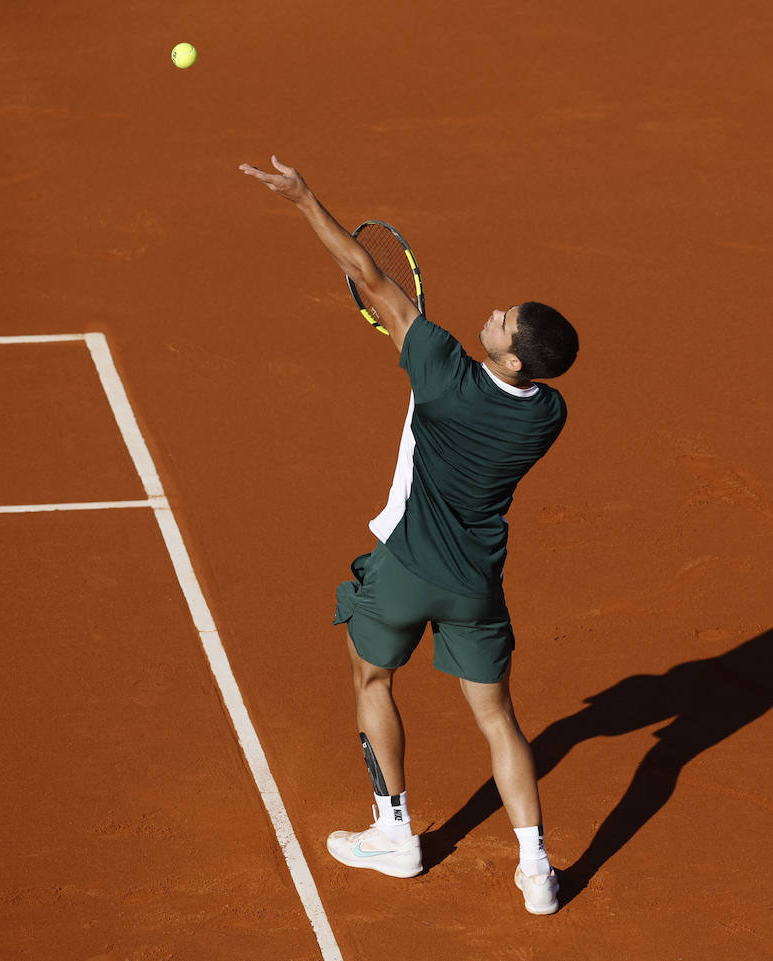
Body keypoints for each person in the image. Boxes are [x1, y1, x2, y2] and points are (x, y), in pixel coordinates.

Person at [239, 156, 579, 915]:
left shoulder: (441, 369)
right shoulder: (546, 414)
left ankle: (395, 833)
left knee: (371, 679)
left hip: (402, 569)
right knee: (499, 718)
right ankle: (537, 871)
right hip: (476, 585)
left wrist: (302, 200)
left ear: (513, 355)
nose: (491, 313)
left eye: (504, 320)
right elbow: (413, 316)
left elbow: (365, 270)